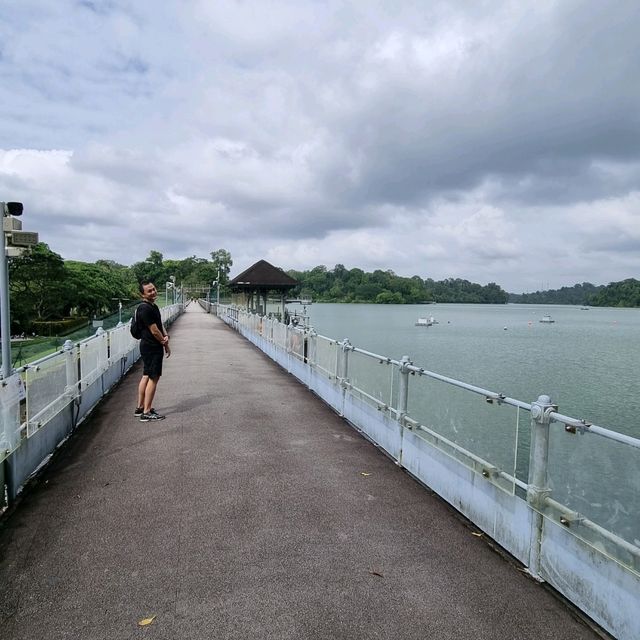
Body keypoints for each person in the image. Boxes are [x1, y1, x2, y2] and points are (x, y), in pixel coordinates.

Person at [134, 281, 171, 421]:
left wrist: (165, 340)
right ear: (142, 294)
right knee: (153, 378)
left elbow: (159, 326)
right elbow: (154, 330)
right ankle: (147, 412)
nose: (153, 292)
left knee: (146, 375)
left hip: (149, 346)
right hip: (151, 347)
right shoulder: (146, 308)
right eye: (149, 291)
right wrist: (163, 342)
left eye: (154, 289)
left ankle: (140, 408)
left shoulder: (152, 306)